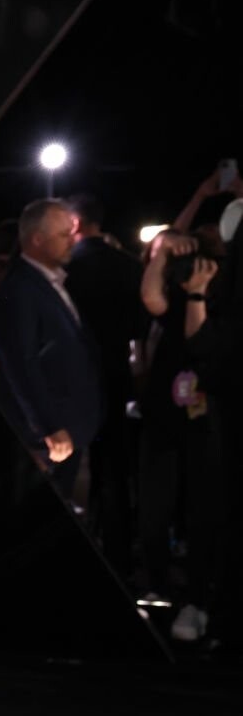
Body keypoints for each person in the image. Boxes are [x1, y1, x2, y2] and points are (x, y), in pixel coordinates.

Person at [137, 232, 230, 640]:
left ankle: (196, 598)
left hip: (207, 419)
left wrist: (199, 291)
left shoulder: (219, 294)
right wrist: (164, 255)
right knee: (155, 507)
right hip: (164, 416)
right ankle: (157, 586)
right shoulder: (171, 294)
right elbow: (150, 298)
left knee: (202, 510)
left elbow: (202, 340)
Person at [0, 199, 104, 501]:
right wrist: (49, 426)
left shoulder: (50, 282)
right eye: (64, 235)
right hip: (47, 438)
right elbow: (21, 365)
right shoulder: (20, 290)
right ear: (37, 239)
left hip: (66, 429)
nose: (72, 241)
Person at [62, 193, 146, 580]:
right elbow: (140, 326)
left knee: (67, 471)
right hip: (115, 376)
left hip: (72, 381)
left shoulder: (66, 269)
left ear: (74, 223)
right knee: (113, 472)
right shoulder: (127, 265)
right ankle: (118, 559)